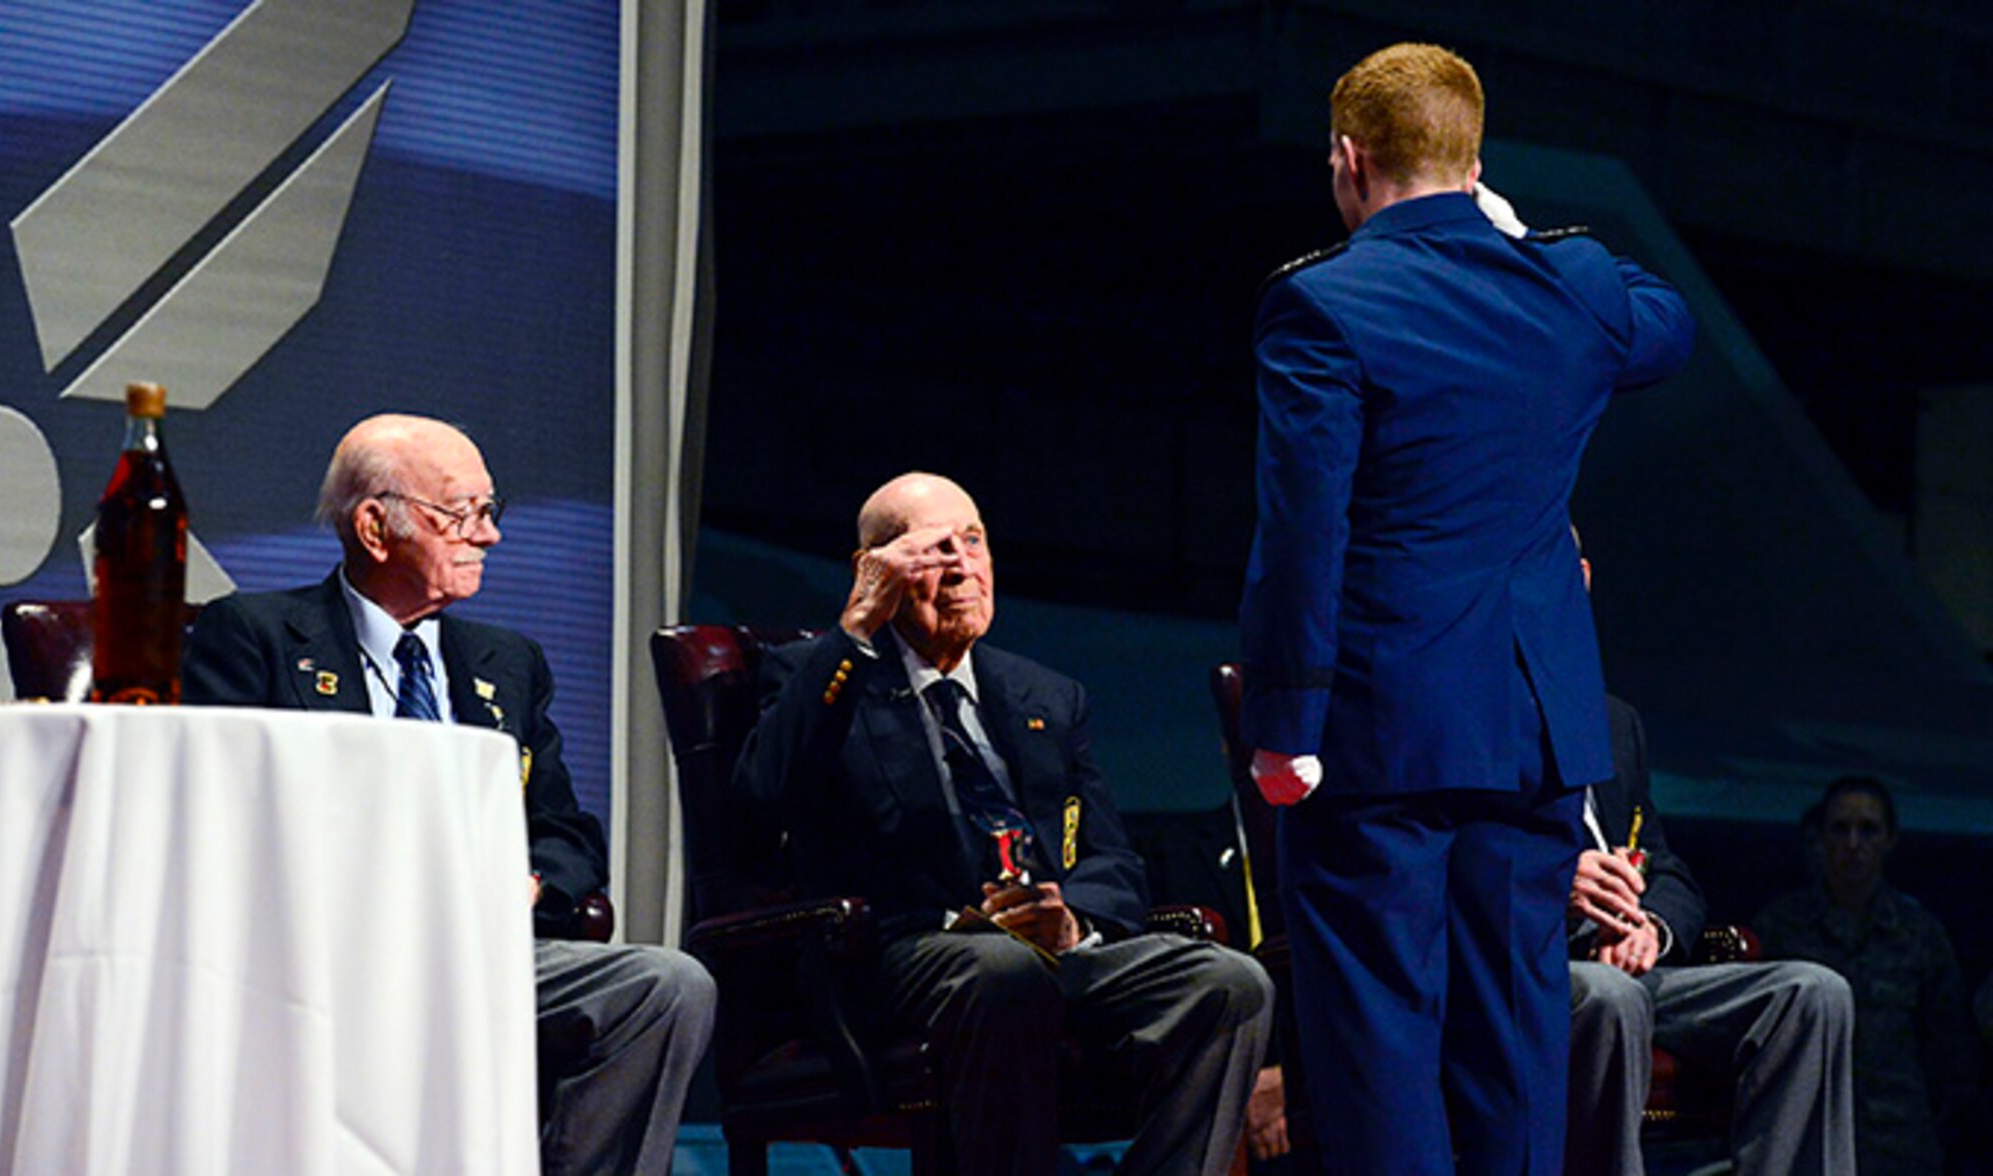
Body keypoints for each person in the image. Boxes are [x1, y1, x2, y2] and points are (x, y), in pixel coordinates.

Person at [1238, 42, 1695, 1174]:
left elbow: (1302, 538)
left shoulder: (1321, 304)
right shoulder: (1571, 289)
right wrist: (1506, 228)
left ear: (1347, 160)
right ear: (1476, 159)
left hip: (1378, 734)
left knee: (1378, 1043)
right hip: (1533, 728)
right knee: (1513, 1043)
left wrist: (1284, 729)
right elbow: (1666, 319)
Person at [183, 414, 716, 1175]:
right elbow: (225, 817)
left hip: (478, 950)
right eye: (462, 513)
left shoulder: (506, 662)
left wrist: (526, 887)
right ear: (375, 526)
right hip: (322, 955)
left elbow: (567, 832)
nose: (490, 536)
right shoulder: (258, 636)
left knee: (667, 986)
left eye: (488, 511)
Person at [735, 471, 1273, 1176]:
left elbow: (1111, 861)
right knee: (1002, 968)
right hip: (904, 950)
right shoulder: (824, 674)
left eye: (974, 541)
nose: (962, 563)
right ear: (876, 571)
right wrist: (857, 627)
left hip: (1049, 954)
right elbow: (760, 792)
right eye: (934, 549)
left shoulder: (1043, 694)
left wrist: (1073, 919)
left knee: (1230, 984)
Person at [1564, 693, 1853, 1175]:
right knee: (1612, 997)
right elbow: (1460, 860)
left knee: (1814, 993)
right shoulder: (1481, 713)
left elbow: (1667, 869)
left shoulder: (1611, 721)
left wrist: (1652, 926)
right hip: (1540, 964)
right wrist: (1555, 883)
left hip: (1637, 964)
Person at [1754, 775, 1979, 1175]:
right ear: (1821, 837)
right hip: (1803, 1141)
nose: (1854, 844)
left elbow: (1951, 1055)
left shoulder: (1920, 935)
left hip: (1898, 1148)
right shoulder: (1780, 930)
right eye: (1840, 829)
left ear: (1890, 839)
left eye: (1868, 829)